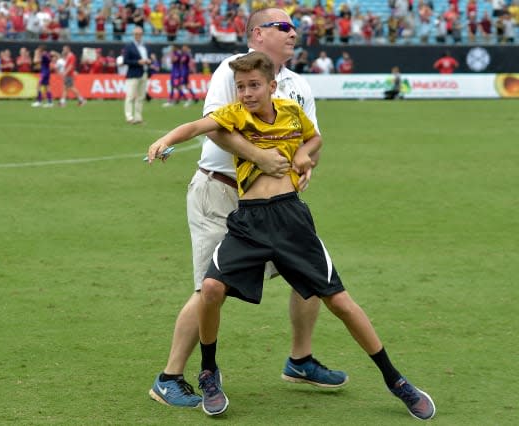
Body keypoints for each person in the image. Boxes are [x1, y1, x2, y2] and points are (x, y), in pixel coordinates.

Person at [148, 51, 436, 421]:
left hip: (291, 219)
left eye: (254, 86)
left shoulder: (291, 111)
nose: (247, 93)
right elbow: (197, 127)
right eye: (241, 87)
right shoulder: (235, 114)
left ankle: (395, 380)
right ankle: (208, 372)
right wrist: (164, 140)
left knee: (340, 302)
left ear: (272, 86)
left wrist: (304, 154)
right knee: (212, 288)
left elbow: (316, 139)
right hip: (249, 221)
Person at [148, 7, 348, 410]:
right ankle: (169, 377)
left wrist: (303, 164)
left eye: (295, 26)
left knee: (308, 275)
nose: (295, 32)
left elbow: (312, 140)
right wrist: (259, 156)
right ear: (258, 34)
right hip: (220, 193)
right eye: (284, 26)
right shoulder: (232, 70)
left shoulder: (297, 85)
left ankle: (300, 359)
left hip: (274, 201)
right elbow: (216, 127)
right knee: (209, 288)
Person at [122, 26, 151, 124]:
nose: (138, 35)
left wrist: (149, 61)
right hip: (133, 74)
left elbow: (149, 57)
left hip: (144, 73)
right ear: (133, 35)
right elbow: (125, 60)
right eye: (136, 34)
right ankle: (129, 117)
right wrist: (138, 62)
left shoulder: (145, 46)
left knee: (140, 97)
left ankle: (138, 117)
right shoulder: (129, 46)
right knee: (130, 96)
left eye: (140, 34)